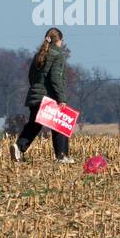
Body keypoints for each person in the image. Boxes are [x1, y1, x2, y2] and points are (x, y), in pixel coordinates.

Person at [11, 27, 75, 163]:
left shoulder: (39, 54)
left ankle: (19, 146)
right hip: (49, 97)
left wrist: (36, 89)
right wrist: (61, 98)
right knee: (60, 124)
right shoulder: (57, 55)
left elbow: (31, 76)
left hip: (35, 96)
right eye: (62, 41)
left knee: (34, 124)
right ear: (59, 41)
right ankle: (62, 156)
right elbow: (55, 78)